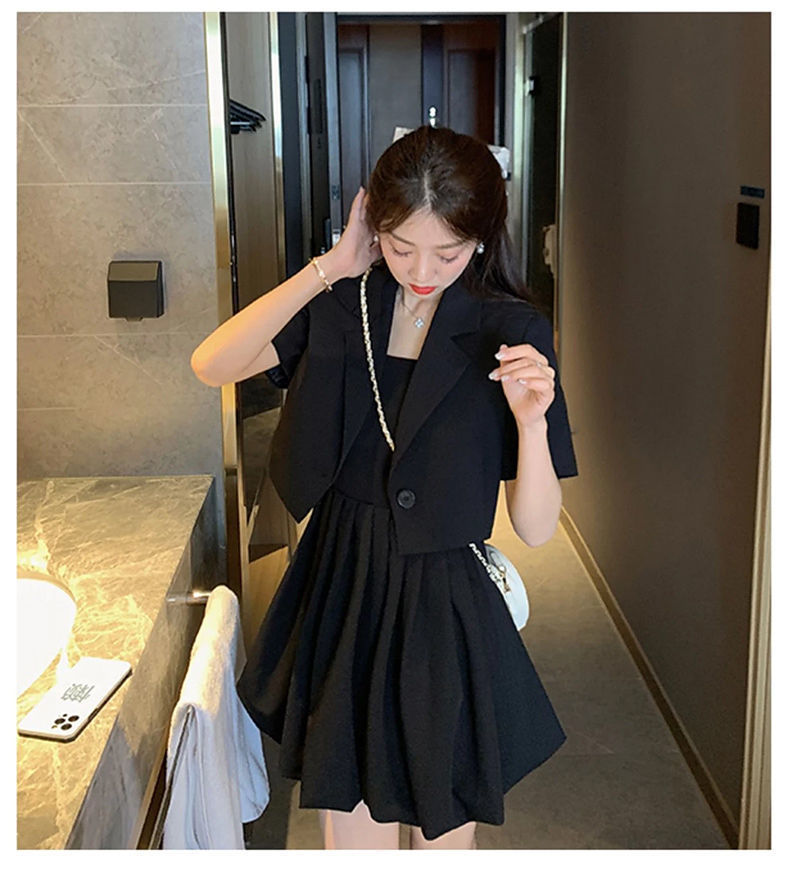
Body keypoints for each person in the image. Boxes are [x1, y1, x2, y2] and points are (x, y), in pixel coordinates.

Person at [191, 125, 578, 849]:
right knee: (352, 829)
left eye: (448, 252)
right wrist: (331, 265)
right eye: (401, 246)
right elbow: (213, 363)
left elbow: (535, 527)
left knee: (442, 826)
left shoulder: (509, 326)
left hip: (443, 596)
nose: (422, 270)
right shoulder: (345, 301)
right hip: (342, 583)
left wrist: (532, 424)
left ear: (481, 239)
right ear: (374, 223)